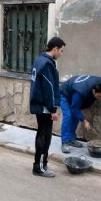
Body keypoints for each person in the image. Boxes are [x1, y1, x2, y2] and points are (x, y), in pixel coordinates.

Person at [29, 37, 66, 178]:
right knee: (45, 136)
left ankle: (39, 165)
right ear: (55, 48)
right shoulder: (48, 64)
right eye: (61, 51)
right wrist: (53, 109)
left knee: (41, 134)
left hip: (39, 103)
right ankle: (39, 167)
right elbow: (49, 89)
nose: (61, 54)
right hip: (45, 106)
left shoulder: (39, 60)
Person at [60, 75, 101, 153]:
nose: (100, 99)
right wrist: (84, 121)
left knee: (75, 117)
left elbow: (77, 109)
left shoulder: (99, 82)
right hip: (64, 94)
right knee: (68, 116)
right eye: (98, 96)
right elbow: (74, 109)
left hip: (73, 93)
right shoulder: (80, 92)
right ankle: (64, 142)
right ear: (93, 91)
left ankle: (71, 139)